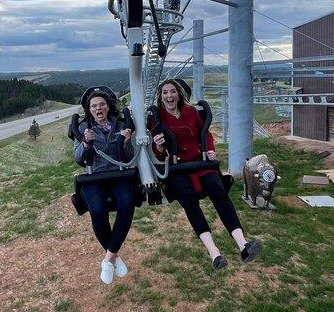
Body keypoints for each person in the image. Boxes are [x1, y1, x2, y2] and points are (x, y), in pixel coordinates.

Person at [150, 79, 261, 271]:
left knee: (218, 191)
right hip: (179, 168)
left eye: (173, 92)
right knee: (189, 201)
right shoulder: (157, 118)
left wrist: (210, 150)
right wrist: (158, 146)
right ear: (161, 97)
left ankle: (243, 244)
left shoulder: (191, 112)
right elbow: (158, 153)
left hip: (200, 162)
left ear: (179, 94)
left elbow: (206, 134)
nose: (169, 96)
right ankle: (214, 252)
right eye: (165, 93)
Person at [73, 90, 136, 284]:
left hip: (117, 173)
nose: (98, 108)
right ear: (89, 109)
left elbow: (128, 156)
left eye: (101, 104)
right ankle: (114, 257)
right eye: (94, 106)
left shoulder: (120, 125)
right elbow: (77, 158)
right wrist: (85, 143)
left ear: (108, 106)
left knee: (127, 203)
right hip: (95, 176)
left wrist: (125, 142)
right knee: (98, 209)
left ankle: (108, 259)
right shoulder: (83, 128)